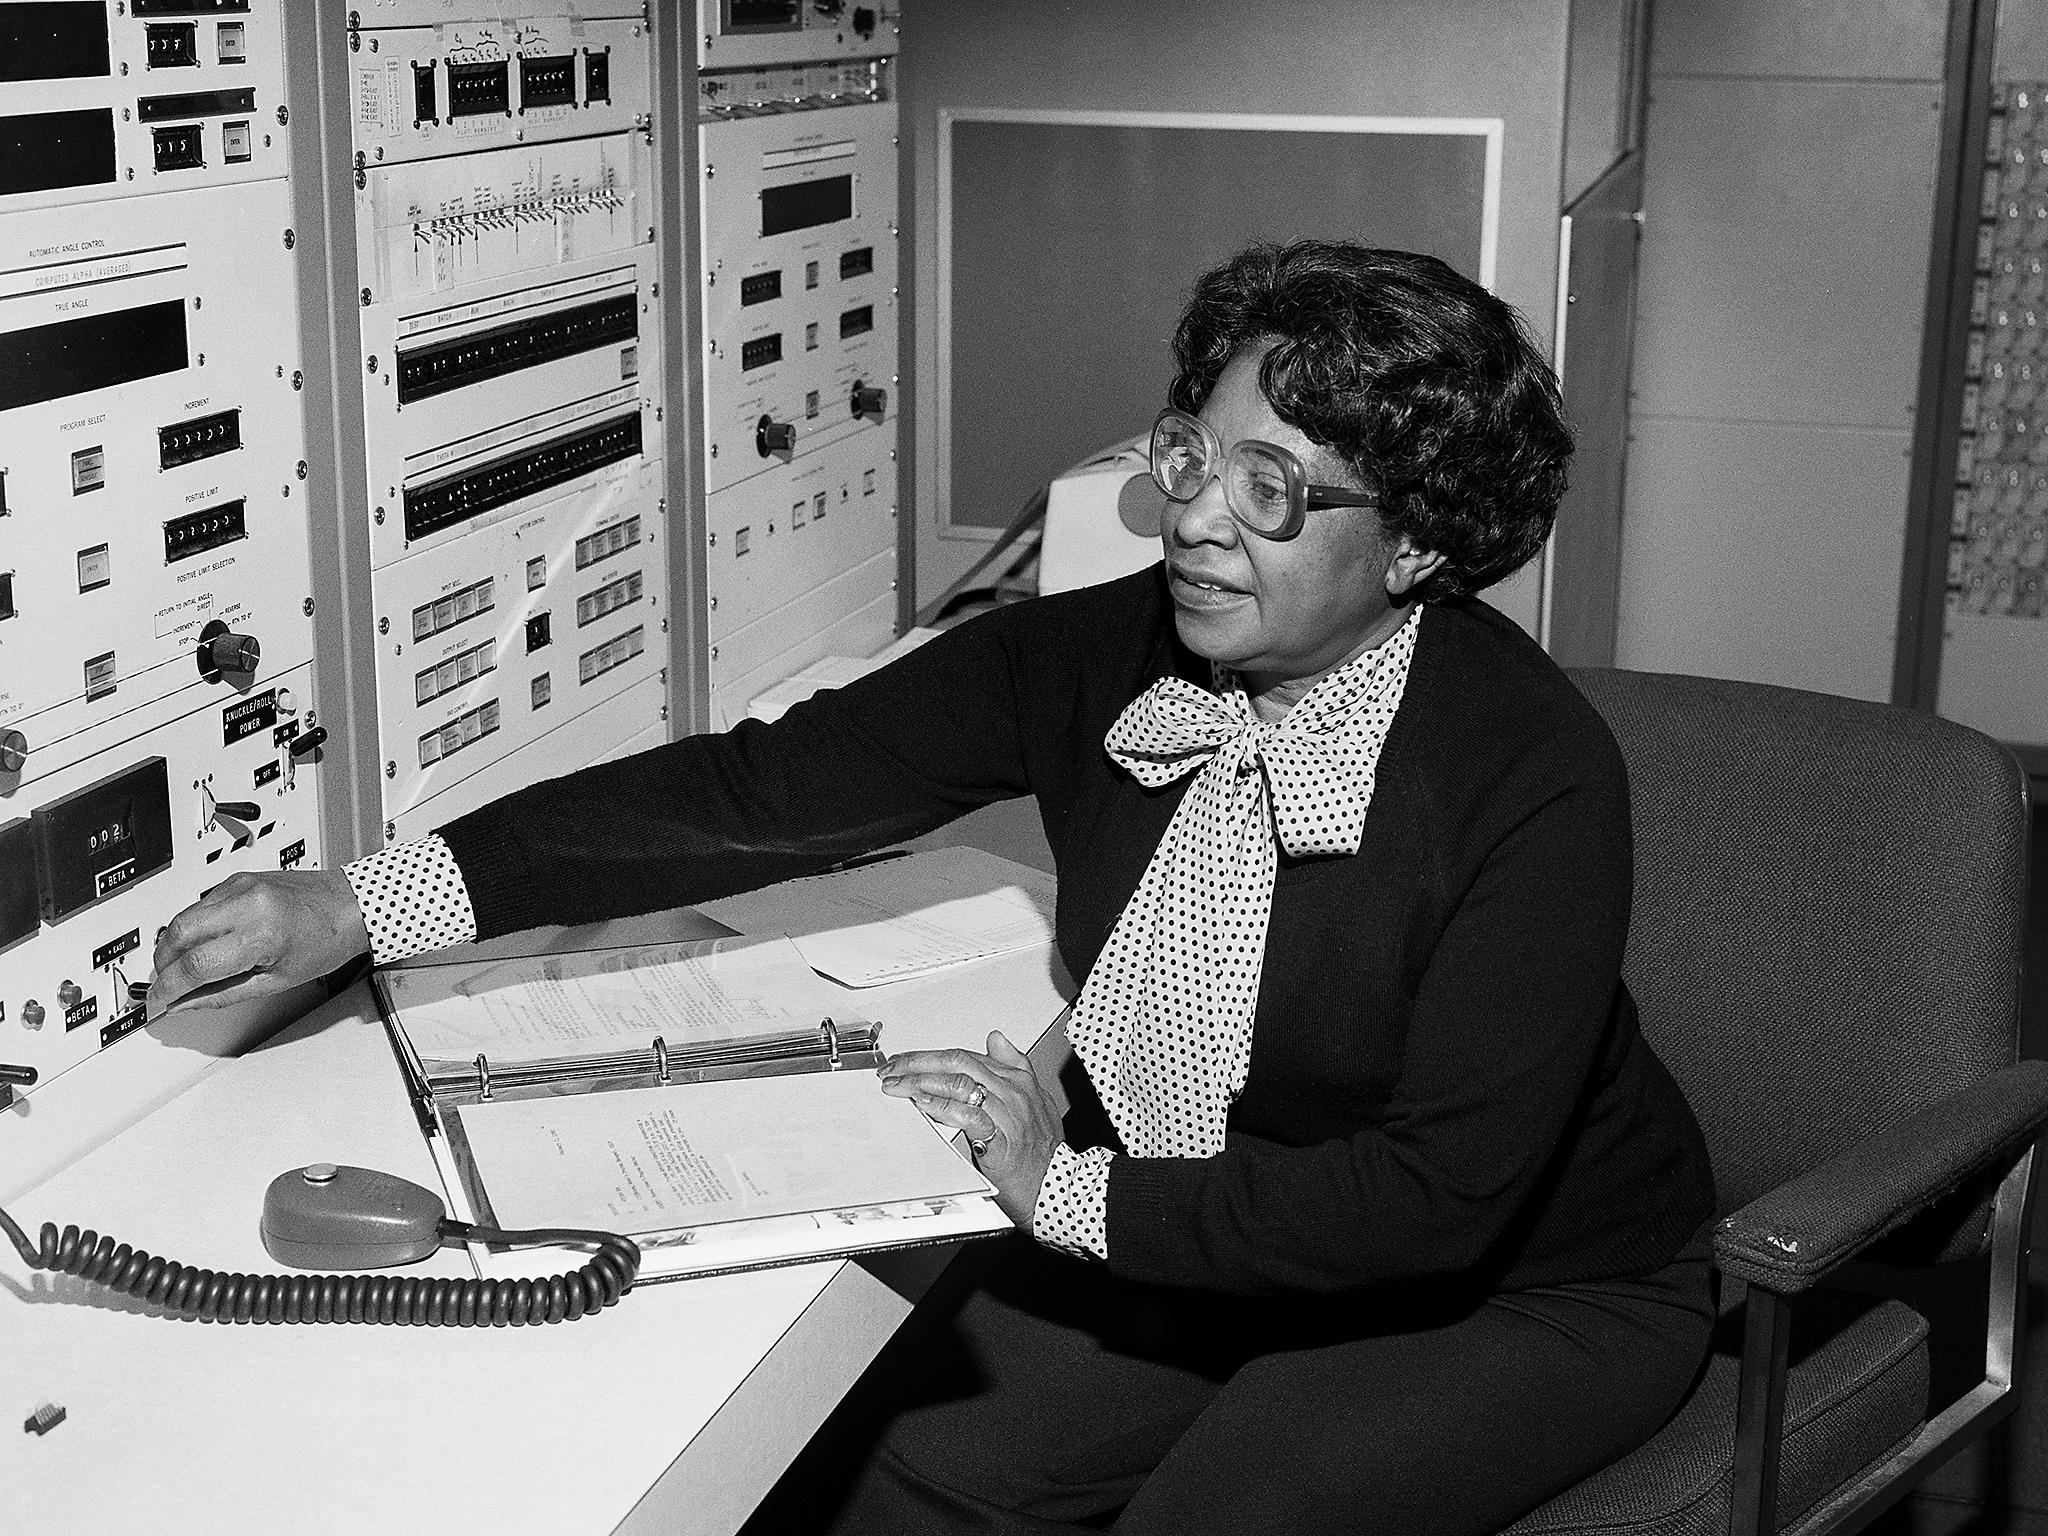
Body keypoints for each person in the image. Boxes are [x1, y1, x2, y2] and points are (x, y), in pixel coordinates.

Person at [151, 241, 1716, 1535]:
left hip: (1524, 1284)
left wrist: (1069, 1190)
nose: (1191, 518)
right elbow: (756, 799)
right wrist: (361, 903)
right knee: (908, 1468)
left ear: (1424, 546)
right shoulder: (1100, 654)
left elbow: (1432, 1201)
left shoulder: (1535, 778)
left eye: (1274, 489)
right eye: (1192, 453)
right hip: (1216, 1207)